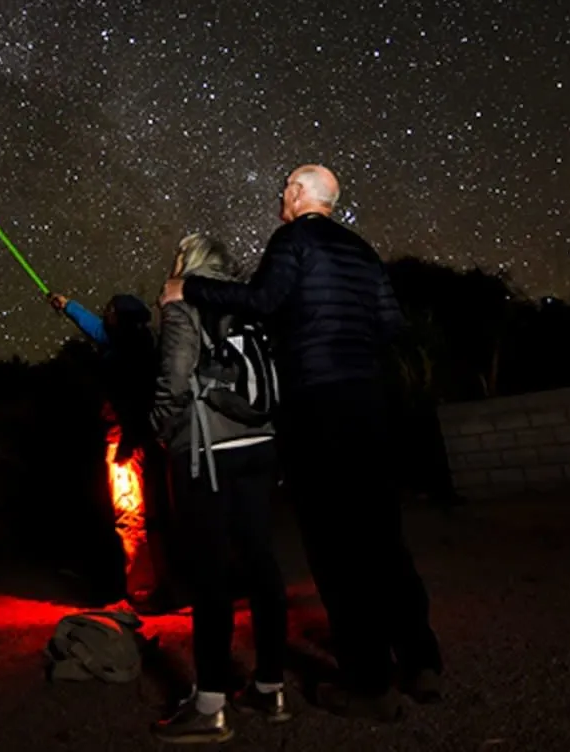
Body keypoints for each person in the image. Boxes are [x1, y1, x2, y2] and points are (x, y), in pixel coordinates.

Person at [162, 164, 443, 720]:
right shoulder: (362, 251)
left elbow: (264, 299)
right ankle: (420, 660)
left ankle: (368, 683)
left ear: (297, 194)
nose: (279, 197)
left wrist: (187, 288)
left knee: (336, 547)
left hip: (318, 406)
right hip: (368, 402)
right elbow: (390, 324)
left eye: (284, 189)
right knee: (385, 537)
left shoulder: (293, 239)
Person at [148, 235, 291, 742]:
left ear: (188, 263)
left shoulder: (183, 299)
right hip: (260, 443)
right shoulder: (248, 301)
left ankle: (209, 705)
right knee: (260, 561)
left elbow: (175, 377)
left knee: (209, 574)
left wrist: (164, 430)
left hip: (208, 450)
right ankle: (270, 686)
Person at [48, 291, 176, 611]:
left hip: (128, 442)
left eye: (109, 311)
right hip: (141, 439)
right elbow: (95, 328)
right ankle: (157, 585)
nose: (105, 315)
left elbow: (134, 400)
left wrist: (127, 446)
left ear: (120, 318)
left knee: (130, 516)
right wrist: (69, 307)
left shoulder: (127, 353)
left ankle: (143, 591)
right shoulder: (134, 342)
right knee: (149, 515)